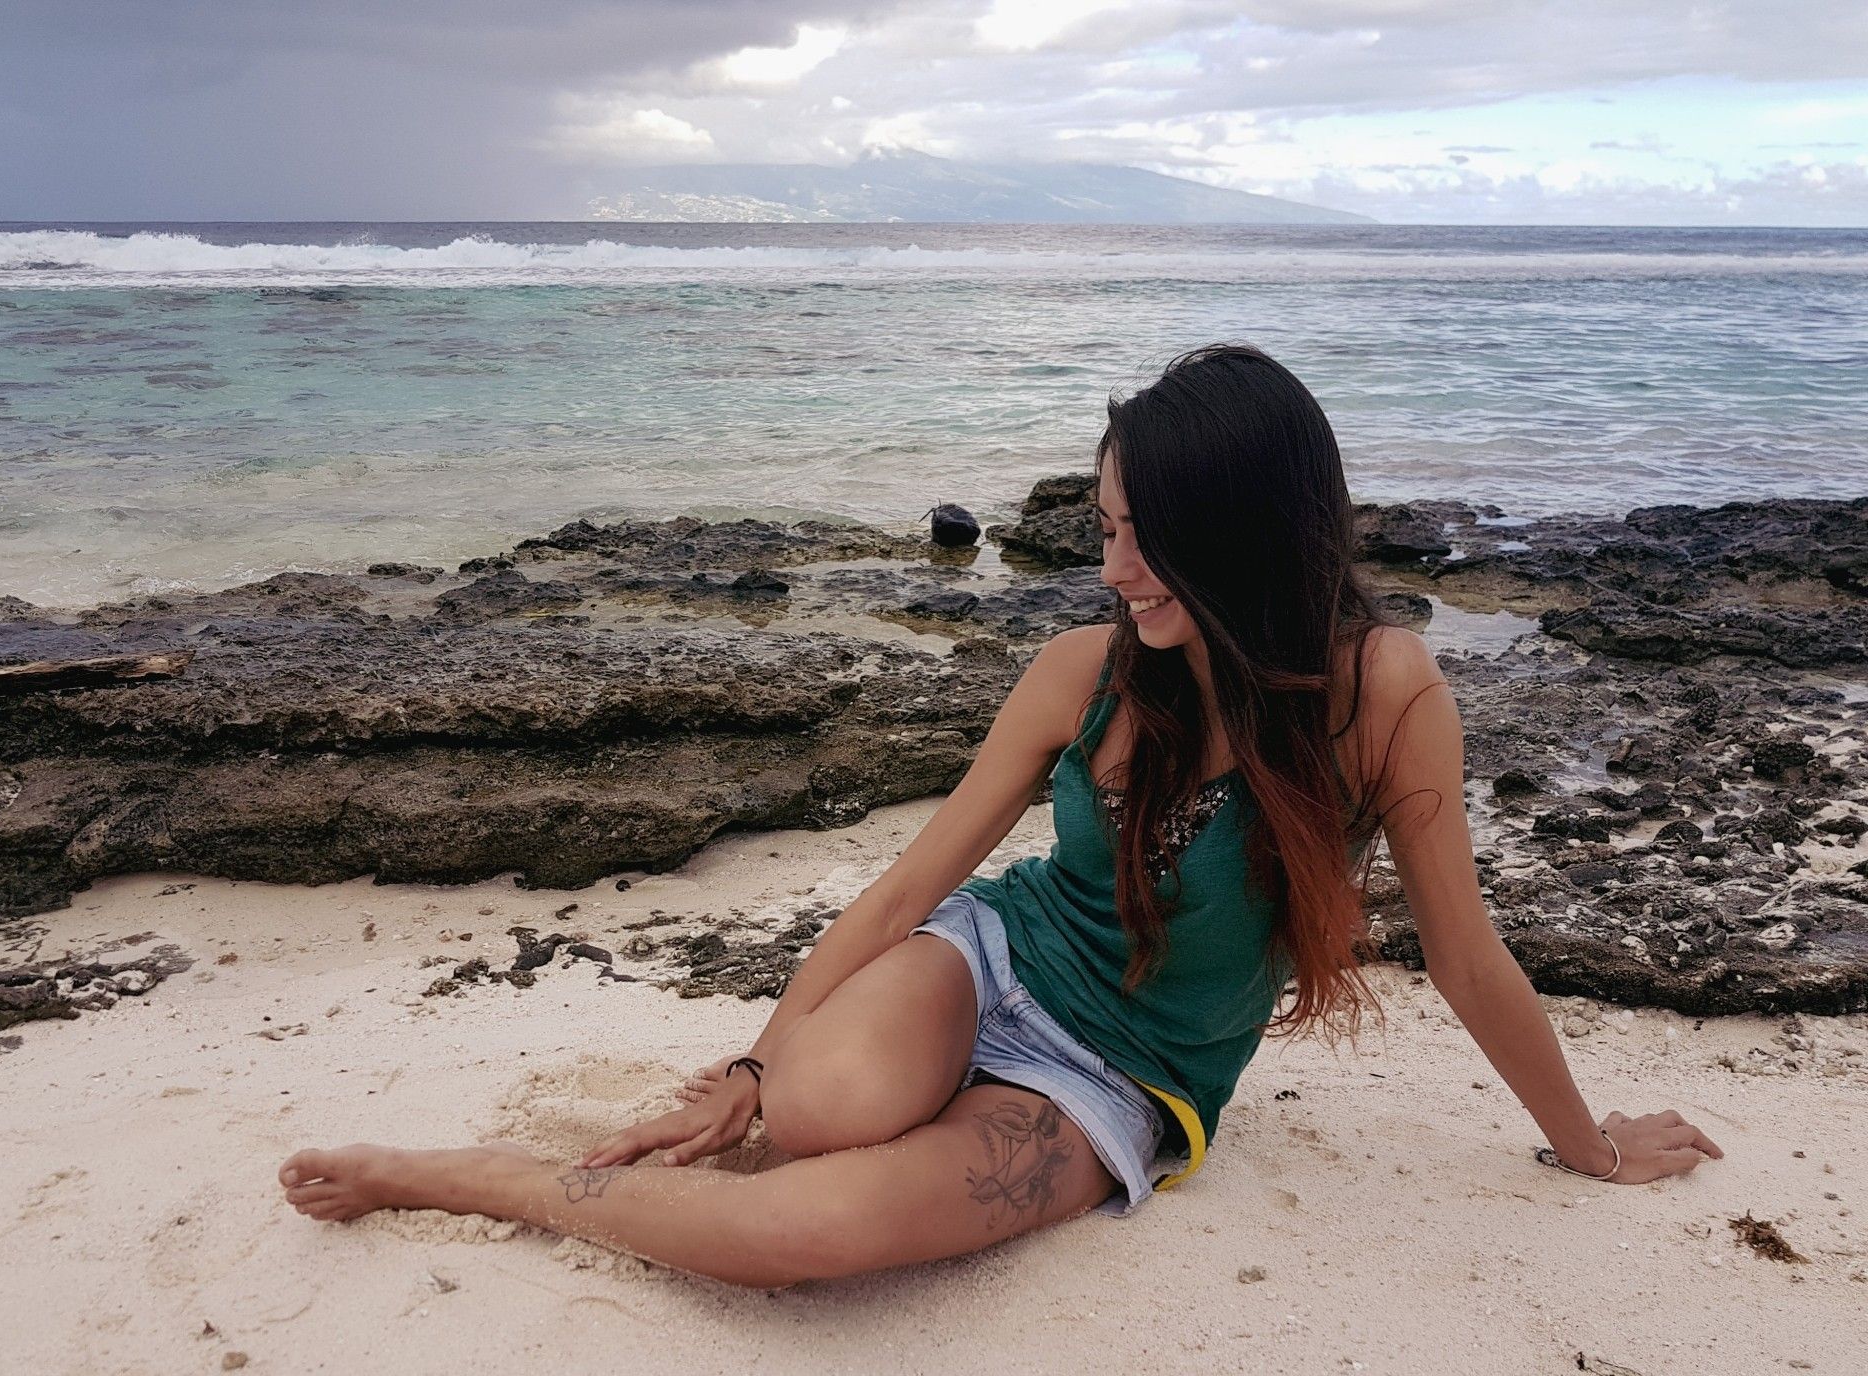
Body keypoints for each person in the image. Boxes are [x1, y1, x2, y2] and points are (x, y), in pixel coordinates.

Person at [278, 344, 1724, 1286]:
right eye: (1104, 530)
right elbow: (911, 885)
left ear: (1244, 534)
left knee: (802, 1238)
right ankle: (678, 1124)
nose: (1117, 569)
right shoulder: (1080, 674)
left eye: (1146, 537)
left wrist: (1583, 1139)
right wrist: (748, 1064)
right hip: (995, 961)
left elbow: (1468, 957)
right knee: (812, 1109)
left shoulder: (1381, 696)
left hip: (1123, 1078)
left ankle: (487, 1183)